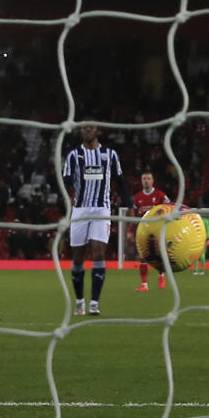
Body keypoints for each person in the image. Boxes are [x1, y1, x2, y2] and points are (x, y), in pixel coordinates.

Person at [62, 121, 131, 316]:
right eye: (84, 128)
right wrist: (65, 198)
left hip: (102, 209)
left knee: (99, 252)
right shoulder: (74, 156)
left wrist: (129, 203)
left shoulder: (110, 155)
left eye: (91, 127)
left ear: (97, 130)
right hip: (80, 210)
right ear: (81, 131)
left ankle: (94, 302)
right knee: (77, 258)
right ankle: (79, 301)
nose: (87, 130)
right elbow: (66, 181)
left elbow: (120, 179)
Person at [131, 171, 169, 291]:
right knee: (142, 257)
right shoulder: (137, 197)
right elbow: (135, 215)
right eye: (144, 178)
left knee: (159, 255)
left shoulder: (160, 195)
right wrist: (132, 229)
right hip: (144, 231)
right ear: (141, 181)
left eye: (148, 178)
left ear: (153, 181)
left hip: (158, 230)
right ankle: (144, 284)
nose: (146, 180)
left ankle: (161, 275)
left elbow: (170, 207)